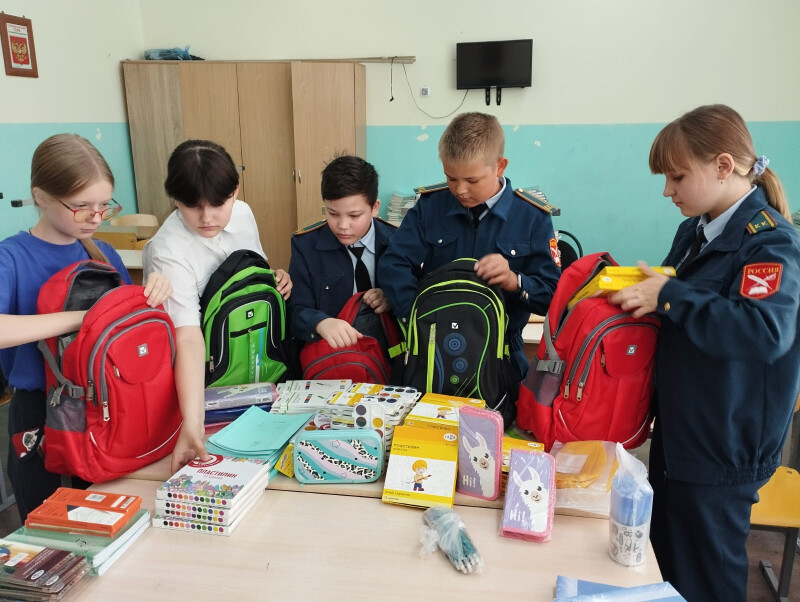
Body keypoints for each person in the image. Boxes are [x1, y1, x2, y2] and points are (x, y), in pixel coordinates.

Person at [608, 104, 800, 602]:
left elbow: (762, 331)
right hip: (682, 431)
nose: (667, 191)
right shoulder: (696, 229)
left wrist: (670, 295)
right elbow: (685, 305)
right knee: (667, 564)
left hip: (722, 446)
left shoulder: (770, 244)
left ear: (722, 166)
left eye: (676, 177)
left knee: (708, 578)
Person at [0, 134, 172, 521]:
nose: (96, 217)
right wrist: (83, 318)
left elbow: (123, 334)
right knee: (48, 525)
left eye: (104, 206)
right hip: (40, 415)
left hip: (104, 406)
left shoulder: (102, 252)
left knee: (108, 517)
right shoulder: (11, 257)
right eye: (81, 207)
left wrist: (152, 294)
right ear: (41, 196)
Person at [378, 112, 561, 389]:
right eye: (451, 178)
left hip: (500, 358)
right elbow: (394, 264)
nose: (460, 190)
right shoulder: (430, 206)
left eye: (472, 180)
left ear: (500, 166)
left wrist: (514, 280)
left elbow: (552, 295)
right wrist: (417, 315)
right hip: (432, 352)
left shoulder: (532, 217)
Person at [143, 139, 292, 473]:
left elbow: (252, 275)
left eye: (218, 203)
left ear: (235, 191)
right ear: (174, 198)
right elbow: (187, 338)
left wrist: (275, 277)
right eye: (192, 206)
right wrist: (192, 423)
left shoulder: (243, 213)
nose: (207, 217)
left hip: (254, 369)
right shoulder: (168, 250)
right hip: (199, 386)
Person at [289, 155, 396, 348]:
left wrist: (392, 297)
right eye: (332, 213)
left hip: (388, 351)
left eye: (354, 215)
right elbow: (295, 310)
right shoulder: (306, 245)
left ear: (374, 207)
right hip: (331, 353)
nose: (343, 226)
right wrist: (320, 322)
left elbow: (418, 295)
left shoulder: (396, 240)